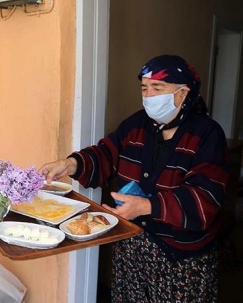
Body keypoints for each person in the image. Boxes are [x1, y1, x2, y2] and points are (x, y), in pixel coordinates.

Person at [40, 55, 230, 302]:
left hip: (181, 258)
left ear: (182, 93)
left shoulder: (207, 135)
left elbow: (205, 198)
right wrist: (70, 164)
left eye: (157, 88)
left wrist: (147, 206)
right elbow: (107, 153)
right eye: (145, 88)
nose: (148, 95)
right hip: (131, 245)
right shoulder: (136, 125)